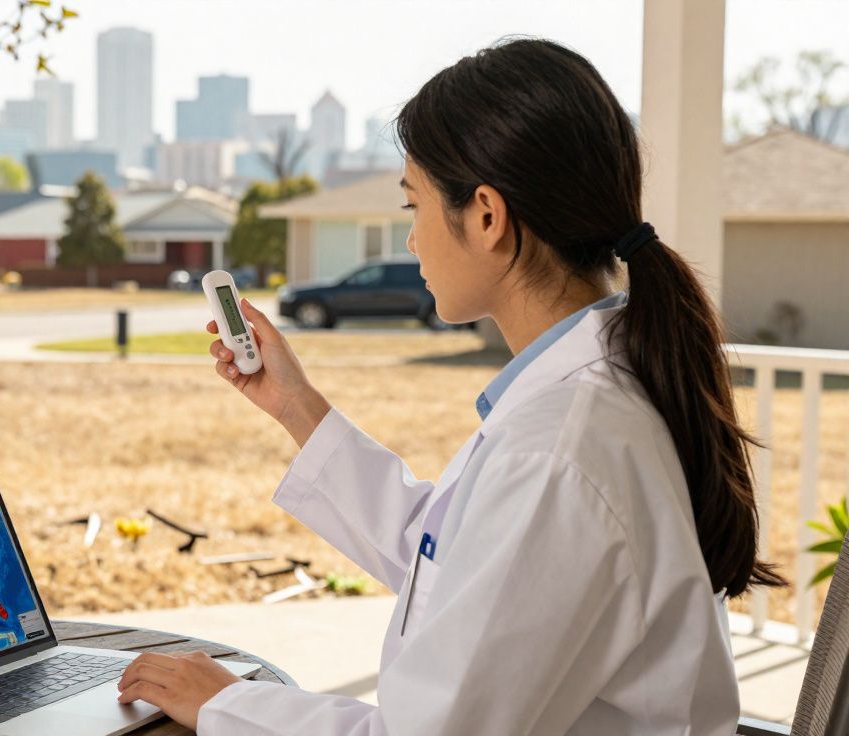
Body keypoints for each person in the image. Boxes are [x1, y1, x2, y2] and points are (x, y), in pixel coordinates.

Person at [114, 37, 783, 735]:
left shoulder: (561, 448)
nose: (410, 242)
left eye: (414, 206)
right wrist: (296, 405)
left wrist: (228, 703)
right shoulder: (591, 397)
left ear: (487, 215)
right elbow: (454, 561)